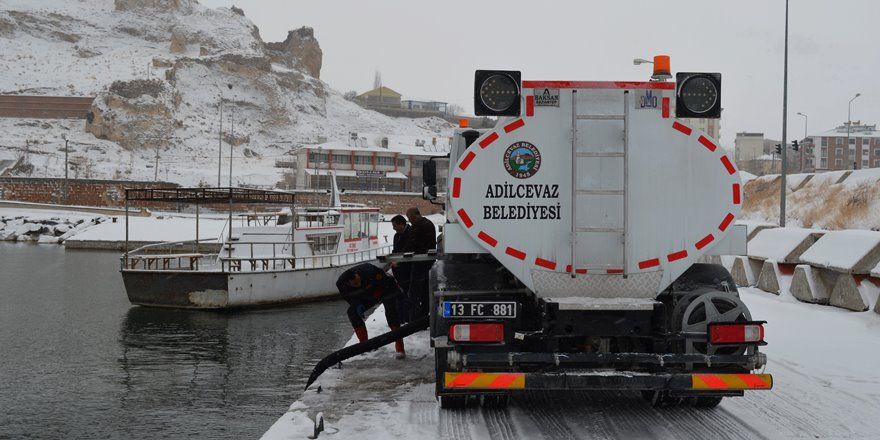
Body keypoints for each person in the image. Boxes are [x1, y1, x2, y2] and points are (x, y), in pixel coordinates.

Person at [336, 263, 406, 359]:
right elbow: (349, 298)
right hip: (367, 296)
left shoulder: (371, 270)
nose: (359, 284)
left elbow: (390, 282)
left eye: (359, 281)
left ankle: (400, 348)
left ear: (358, 275)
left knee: (391, 314)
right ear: (348, 283)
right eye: (355, 284)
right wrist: (356, 305)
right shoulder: (341, 284)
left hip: (385, 290)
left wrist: (401, 297)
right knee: (352, 312)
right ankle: (364, 346)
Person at [401, 207, 436, 321]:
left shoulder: (418, 225)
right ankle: (425, 317)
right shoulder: (429, 223)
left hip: (420, 262)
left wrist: (402, 254)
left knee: (414, 292)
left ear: (414, 216)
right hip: (429, 261)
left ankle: (415, 319)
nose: (409, 221)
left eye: (409, 218)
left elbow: (412, 243)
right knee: (426, 291)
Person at [390, 214, 412, 324]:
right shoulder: (397, 236)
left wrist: (399, 263)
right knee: (400, 294)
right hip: (398, 270)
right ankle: (401, 317)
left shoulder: (410, 234)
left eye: (395, 226)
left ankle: (407, 317)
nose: (393, 228)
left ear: (402, 224)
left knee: (407, 294)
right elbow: (396, 251)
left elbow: (409, 251)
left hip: (407, 270)